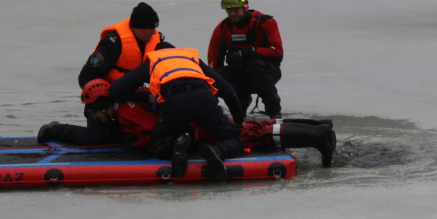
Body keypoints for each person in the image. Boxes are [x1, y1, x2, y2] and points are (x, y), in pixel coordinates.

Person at [84, 80, 337, 167]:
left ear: (103, 105)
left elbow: (152, 133)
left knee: (251, 134)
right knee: (251, 129)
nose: (94, 117)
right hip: (195, 114)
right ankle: (318, 129)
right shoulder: (130, 103)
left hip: (195, 125)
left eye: (94, 112)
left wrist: (136, 144)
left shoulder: (127, 113)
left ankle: (319, 136)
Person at [104, 47, 246, 181]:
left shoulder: (153, 62)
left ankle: (177, 145)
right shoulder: (191, 59)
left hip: (175, 101)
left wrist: (144, 97)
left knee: (157, 141)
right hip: (204, 98)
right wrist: (239, 119)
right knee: (235, 139)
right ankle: (218, 151)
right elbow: (229, 92)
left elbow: (115, 91)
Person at [37, 2, 170, 145]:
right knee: (93, 138)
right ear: (136, 28)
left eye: (155, 28)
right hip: (104, 98)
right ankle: (53, 130)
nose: (153, 32)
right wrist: (100, 105)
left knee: (136, 135)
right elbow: (86, 77)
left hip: (134, 97)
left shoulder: (156, 41)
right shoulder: (113, 43)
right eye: (150, 29)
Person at [208, 0, 284, 119]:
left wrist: (248, 52)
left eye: (235, 9)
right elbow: (213, 65)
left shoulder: (266, 23)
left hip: (266, 73)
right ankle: (226, 114)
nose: (232, 14)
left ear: (245, 6)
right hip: (240, 77)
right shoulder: (222, 30)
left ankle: (274, 113)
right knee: (213, 79)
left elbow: (277, 53)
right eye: (228, 10)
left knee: (254, 65)